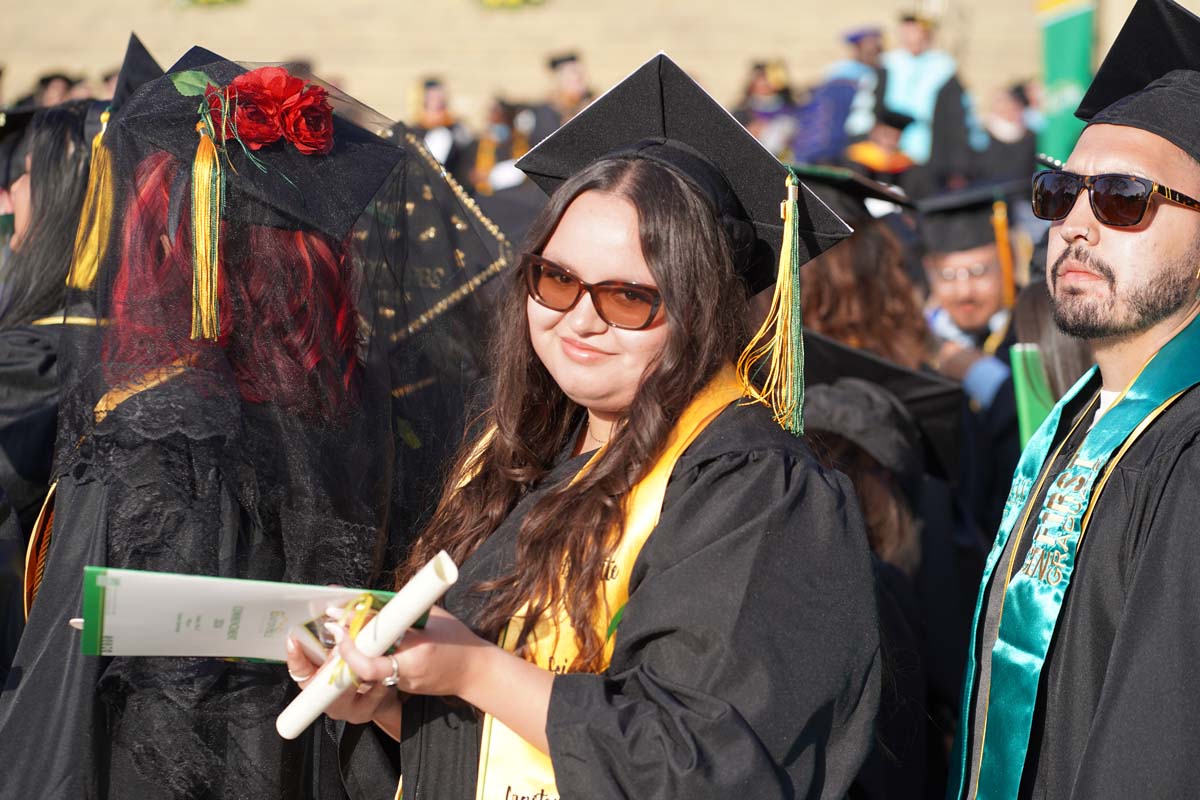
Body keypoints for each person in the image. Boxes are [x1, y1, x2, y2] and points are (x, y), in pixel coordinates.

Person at [288, 53, 881, 800]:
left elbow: (706, 763)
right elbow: (512, 750)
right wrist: (385, 703)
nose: (580, 320)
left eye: (629, 297)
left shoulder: (754, 491)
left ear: (701, 310)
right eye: (557, 279)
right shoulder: (517, 462)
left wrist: (472, 667)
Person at [0, 46, 506, 799]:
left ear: (189, 251)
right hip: (318, 760)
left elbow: (103, 696)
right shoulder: (367, 406)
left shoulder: (163, 429)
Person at [949, 0, 1200, 796]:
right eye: (1060, 191)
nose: (1078, 225)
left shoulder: (1188, 459)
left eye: (1126, 197)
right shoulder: (1074, 428)